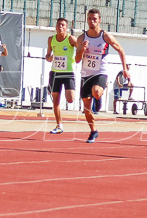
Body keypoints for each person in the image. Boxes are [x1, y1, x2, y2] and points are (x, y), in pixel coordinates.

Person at [76, 8, 130, 144]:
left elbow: (121, 49)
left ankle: (99, 92)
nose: (91, 21)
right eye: (89, 18)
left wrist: (124, 69)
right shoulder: (82, 38)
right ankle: (93, 131)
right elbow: (77, 59)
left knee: (96, 92)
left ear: (99, 20)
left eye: (94, 19)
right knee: (87, 110)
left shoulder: (105, 36)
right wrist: (82, 48)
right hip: (86, 74)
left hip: (101, 72)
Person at [45, 18, 78, 134]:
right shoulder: (51, 39)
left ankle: (70, 91)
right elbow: (48, 55)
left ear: (66, 28)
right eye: (58, 25)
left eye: (63, 25)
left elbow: (80, 49)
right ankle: (59, 125)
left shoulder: (71, 39)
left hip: (68, 73)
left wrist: (81, 54)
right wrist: (49, 57)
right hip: (55, 73)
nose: (60, 27)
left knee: (70, 98)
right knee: (55, 101)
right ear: (55, 27)